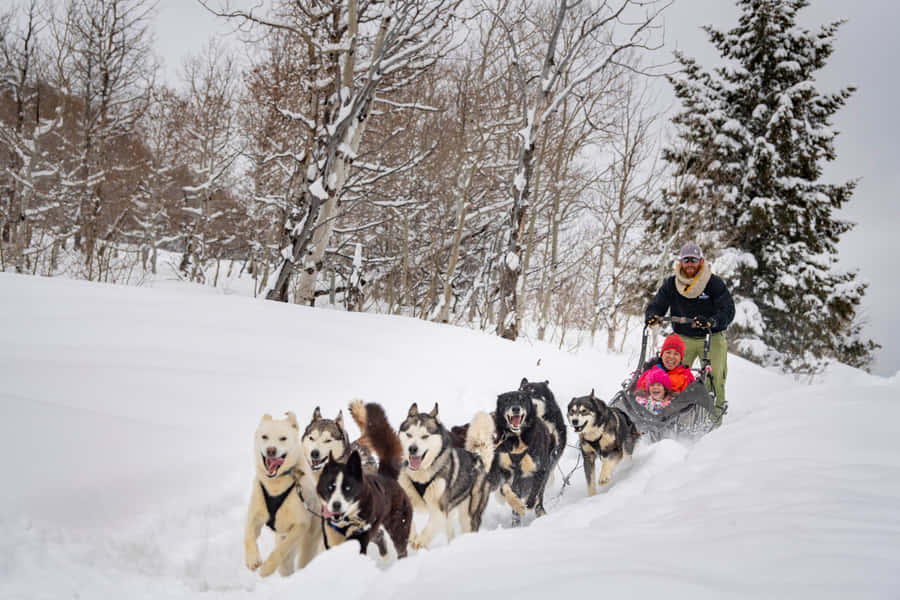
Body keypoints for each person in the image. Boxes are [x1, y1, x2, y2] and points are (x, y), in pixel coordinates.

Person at [645, 241, 735, 425]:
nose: (690, 264)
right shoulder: (672, 283)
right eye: (686, 260)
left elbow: (728, 309)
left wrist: (713, 321)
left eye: (694, 259)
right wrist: (653, 315)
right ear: (681, 262)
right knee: (672, 375)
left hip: (711, 335)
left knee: (714, 376)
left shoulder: (712, 283)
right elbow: (658, 303)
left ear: (701, 261)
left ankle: (714, 419)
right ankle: (671, 417)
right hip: (683, 338)